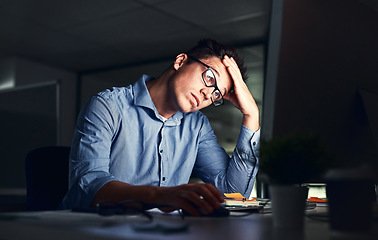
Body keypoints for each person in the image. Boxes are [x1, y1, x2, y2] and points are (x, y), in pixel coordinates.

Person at [60, 39, 260, 216]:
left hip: (157, 231)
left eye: (217, 94)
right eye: (209, 78)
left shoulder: (197, 126)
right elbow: (87, 187)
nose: (208, 94)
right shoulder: (107, 106)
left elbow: (234, 195)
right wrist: (161, 195)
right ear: (180, 61)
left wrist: (251, 115)